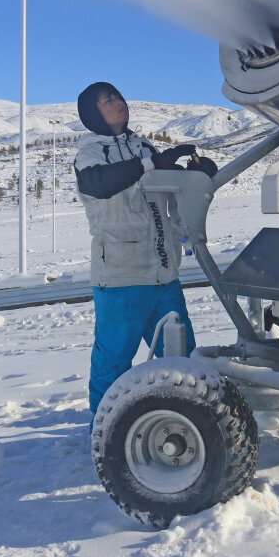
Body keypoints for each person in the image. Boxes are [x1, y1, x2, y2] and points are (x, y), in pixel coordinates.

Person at [72, 81, 218, 417]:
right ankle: (105, 429)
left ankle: (187, 421)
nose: (118, 102)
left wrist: (197, 174)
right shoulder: (90, 153)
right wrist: (151, 164)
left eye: (118, 96)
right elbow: (99, 183)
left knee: (182, 357)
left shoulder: (145, 148)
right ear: (93, 113)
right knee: (113, 361)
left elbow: (172, 188)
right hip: (121, 277)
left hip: (164, 275)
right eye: (107, 100)